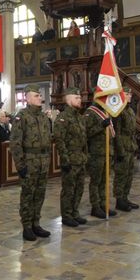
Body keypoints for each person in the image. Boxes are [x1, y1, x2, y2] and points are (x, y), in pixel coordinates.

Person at [10, 84, 52, 241]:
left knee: (40, 194)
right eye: (36, 95)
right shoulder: (22, 117)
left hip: (43, 162)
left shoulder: (43, 117)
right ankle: (26, 226)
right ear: (27, 98)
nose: (40, 98)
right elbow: (15, 143)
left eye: (40, 95)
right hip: (29, 162)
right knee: (28, 195)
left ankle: (36, 223)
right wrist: (20, 165)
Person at [53, 87, 87, 227]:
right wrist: (65, 160)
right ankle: (66, 215)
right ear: (69, 99)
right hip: (70, 159)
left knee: (79, 187)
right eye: (77, 98)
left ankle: (75, 212)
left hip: (80, 158)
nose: (80, 100)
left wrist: (85, 156)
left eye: (80, 98)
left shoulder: (79, 117)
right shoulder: (63, 118)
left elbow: (84, 139)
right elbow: (60, 141)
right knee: (68, 189)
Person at [84, 102, 117, 219]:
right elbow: (86, 132)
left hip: (107, 152)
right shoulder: (90, 113)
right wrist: (101, 126)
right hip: (96, 153)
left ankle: (103, 204)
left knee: (104, 180)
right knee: (96, 181)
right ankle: (95, 206)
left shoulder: (105, 112)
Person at [114, 87, 139, 211]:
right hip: (123, 147)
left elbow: (132, 131)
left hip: (130, 146)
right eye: (127, 94)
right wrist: (120, 150)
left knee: (129, 175)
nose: (130, 96)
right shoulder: (118, 112)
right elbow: (117, 133)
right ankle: (119, 200)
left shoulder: (130, 111)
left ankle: (125, 197)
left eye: (130, 94)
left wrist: (135, 146)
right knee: (121, 175)